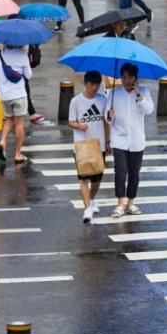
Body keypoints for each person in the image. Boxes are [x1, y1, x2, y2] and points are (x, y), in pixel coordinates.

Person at [105, 63, 154, 218]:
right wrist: (109, 116)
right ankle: (120, 203)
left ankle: (131, 203)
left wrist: (139, 94)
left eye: (130, 77)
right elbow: (106, 118)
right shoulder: (114, 93)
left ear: (135, 78)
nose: (126, 81)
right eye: (124, 77)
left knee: (134, 173)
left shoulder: (144, 91)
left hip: (137, 140)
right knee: (120, 171)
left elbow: (149, 110)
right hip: (119, 139)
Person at [68, 71, 109, 223]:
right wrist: (78, 125)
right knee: (84, 179)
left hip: (99, 144)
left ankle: (91, 200)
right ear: (85, 84)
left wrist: (108, 141)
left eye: (97, 85)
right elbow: (71, 121)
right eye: (92, 84)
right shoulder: (76, 101)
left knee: (97, 180)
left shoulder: (103, 99)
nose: (94, 88)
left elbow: (106, 121)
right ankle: (87, 209)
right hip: (82, 144)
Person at [0, 45, 32, 164]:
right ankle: (17, 154)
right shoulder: (22, 55)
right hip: (18, 94)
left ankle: (3, 141)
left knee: (8, 119)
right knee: (19, 123)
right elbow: (28, 75)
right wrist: (26, 57)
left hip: (4, 95)